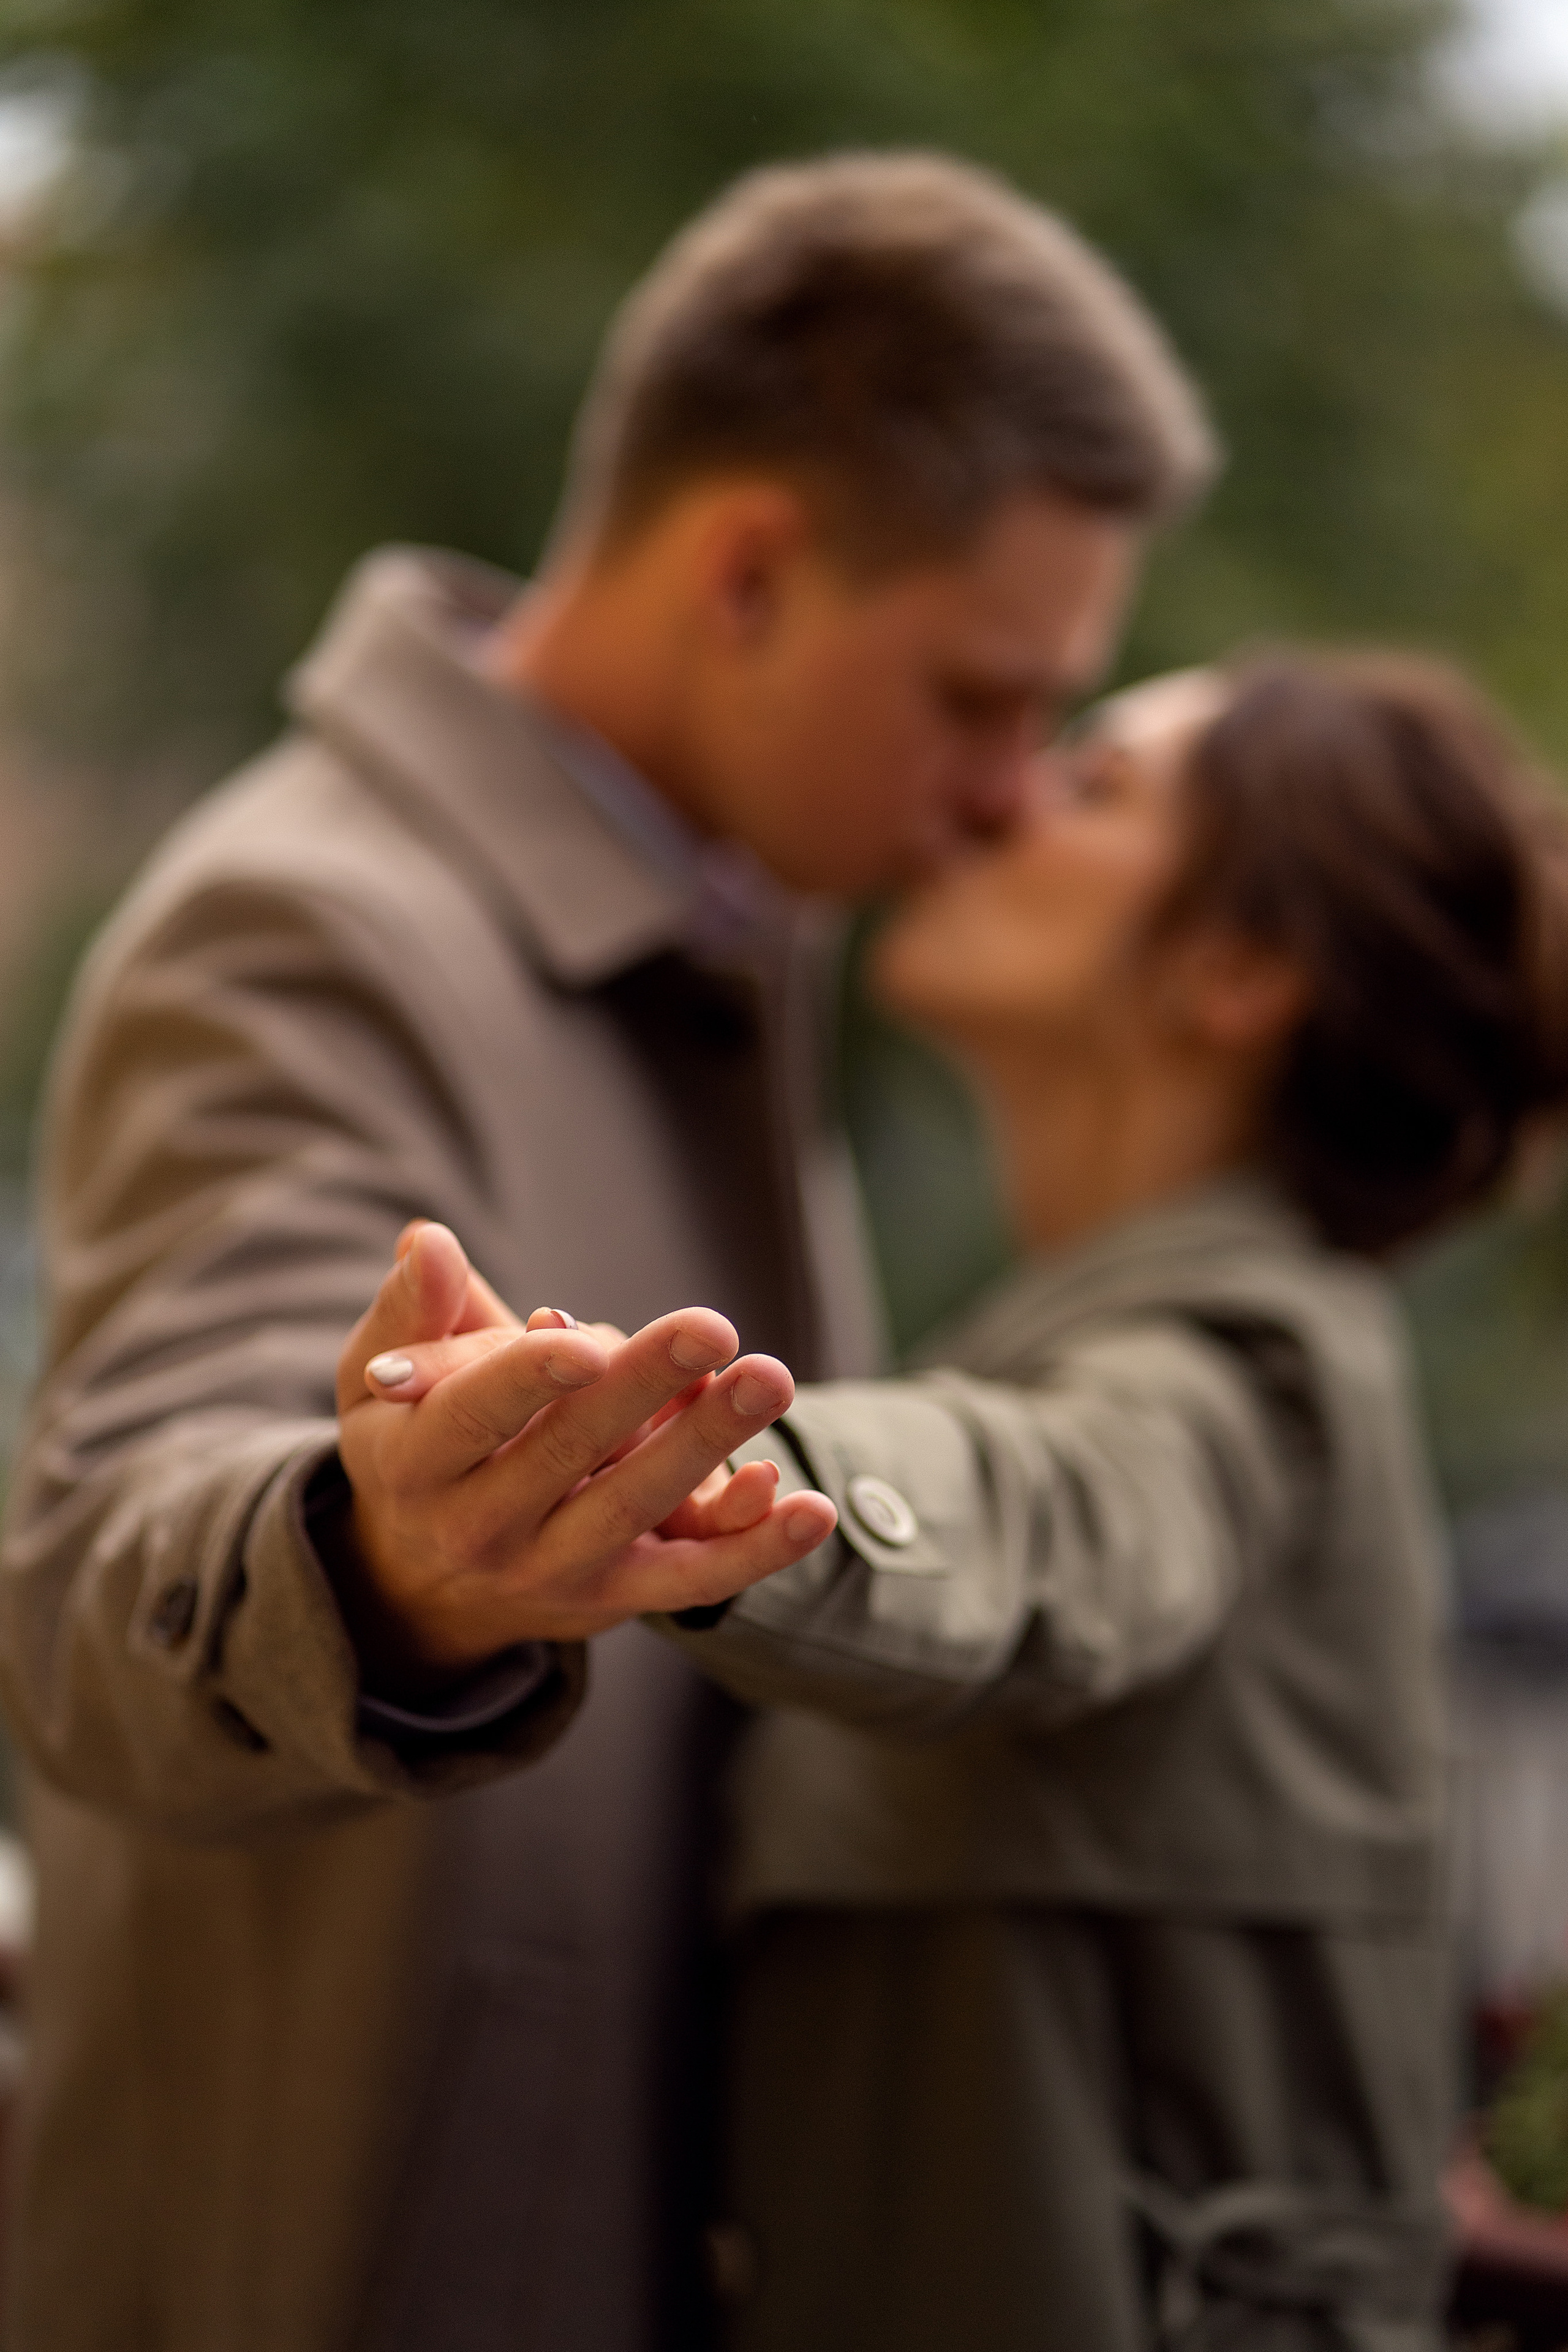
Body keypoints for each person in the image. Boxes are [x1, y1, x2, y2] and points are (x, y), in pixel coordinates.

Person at [0, 154, 1215, 2351]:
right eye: (976, 696)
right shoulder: (312, 927)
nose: (1012, 793)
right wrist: (376, 1567)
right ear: (748, 568)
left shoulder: (713, 944)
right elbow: (105, 1572)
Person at [385, 650, 1568, 2346]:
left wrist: (727, 1473)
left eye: (1094, 785)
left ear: (1235, 972)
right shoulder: (1084, 1338)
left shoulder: (1257, 1367)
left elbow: (1050, 1515)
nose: (997, 797)